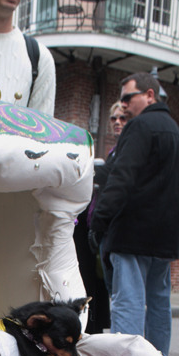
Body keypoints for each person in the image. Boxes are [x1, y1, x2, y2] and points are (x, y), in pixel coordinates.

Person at [88, 72, 179, 356]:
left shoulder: (140, 126)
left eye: (127, 98)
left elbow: (122, 178)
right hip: (165, 237)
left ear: (149, 95)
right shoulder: (178, 135)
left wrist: (99, 222)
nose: (123, 105)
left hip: (132, 234)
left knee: (128, 303)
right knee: (159, 303)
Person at [73, 101, 126, 333]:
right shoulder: (117, 149)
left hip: (110, 227)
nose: (117, 122)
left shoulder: (126, 150)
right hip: (94, 224)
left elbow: (114, 176)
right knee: (100, 283)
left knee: (118, 293)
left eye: (122, 118)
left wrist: (87, 169)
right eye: (114, 118)